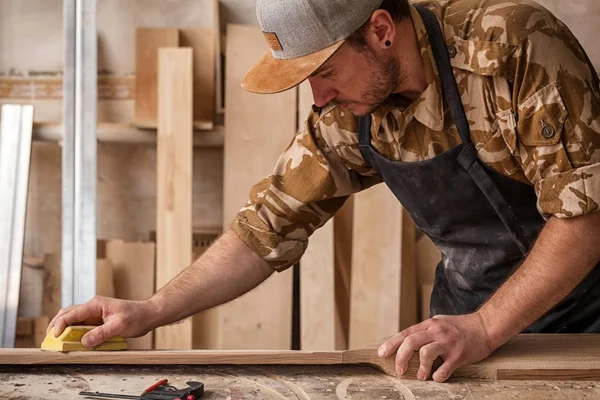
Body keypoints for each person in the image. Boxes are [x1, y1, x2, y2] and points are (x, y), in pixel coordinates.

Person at [48, 0, 600, 382]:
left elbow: (584, 220)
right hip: (460, 330)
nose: (318, 98)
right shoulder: (344, 115)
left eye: (327, 72)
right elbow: (266, 227)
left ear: (382, 31)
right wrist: (149, 310)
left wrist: (484, 327)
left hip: (584, 323)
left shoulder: (514, 50)